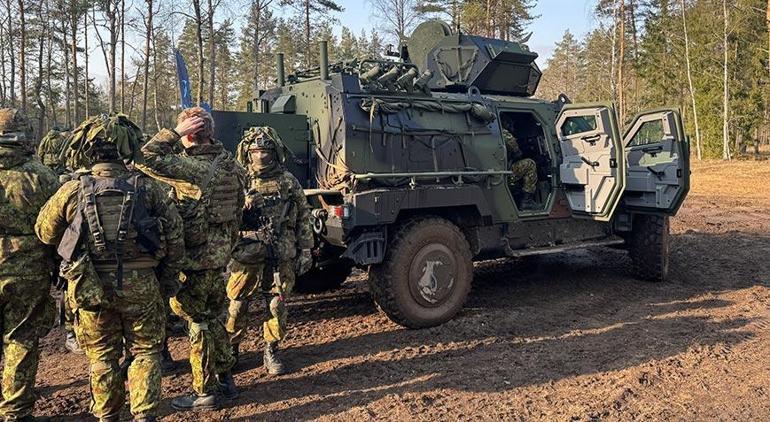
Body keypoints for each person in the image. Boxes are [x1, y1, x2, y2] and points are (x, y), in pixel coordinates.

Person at [35, 114, 185, 422]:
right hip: (142, 283)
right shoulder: (148, 188)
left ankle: (107, 417)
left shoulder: (72, 190)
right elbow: (175, 237)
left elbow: (45, 233)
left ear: (89, 151)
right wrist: (168, 280)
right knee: (145, 352)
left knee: (102, 357)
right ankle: (144, 416)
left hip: (90, 286)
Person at [138, 107, 245, 411]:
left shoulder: (191, 169)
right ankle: (226, 379)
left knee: (197, 322)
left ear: (190, 134)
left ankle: (203, 391)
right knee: (213, 318)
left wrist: (173, 132)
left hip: (194, 260)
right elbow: (237, 212)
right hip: (219, 258)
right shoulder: (232, 166)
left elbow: (143, 157)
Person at [226, 127, 313, 376]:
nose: (260, 156)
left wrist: (306, 250)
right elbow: (223, 217)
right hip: (245, 253)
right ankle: (231, 351)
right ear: (247, 153)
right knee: (237, 305)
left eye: (265, 150)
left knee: (276, 305)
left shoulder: (287, 181)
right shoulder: (239, 180)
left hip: (280, 254)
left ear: (274, 152)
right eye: (255, 151)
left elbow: (303, 217)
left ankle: (271, 349)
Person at [0, 109, 59, 421]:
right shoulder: (43, 177)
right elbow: (58, 229)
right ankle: (16, 410)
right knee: (21, 339)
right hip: (29, 268)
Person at [502, 124, 538, 209]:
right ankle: (526, 202)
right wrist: (517, 152)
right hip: (504, 174)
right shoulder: (500, 131)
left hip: (497, 173)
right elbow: (510, 140)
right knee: (530, 164)